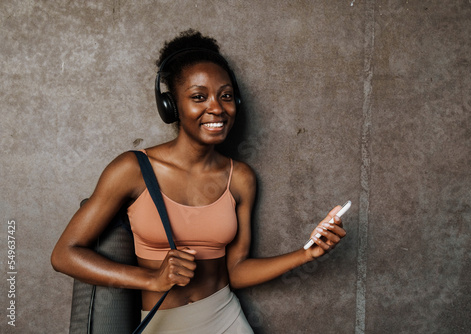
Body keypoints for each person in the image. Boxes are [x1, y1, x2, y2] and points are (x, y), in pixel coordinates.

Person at [51, 29, 346, 333]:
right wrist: (151, 279)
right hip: (162, 324)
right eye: (198, 97)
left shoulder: (240, 178)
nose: (216, 108)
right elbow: (65, 254)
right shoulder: (132, 169)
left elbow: (237, 271)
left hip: (226, 318)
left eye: (226, 96)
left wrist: (306, 253)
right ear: (171, 107)